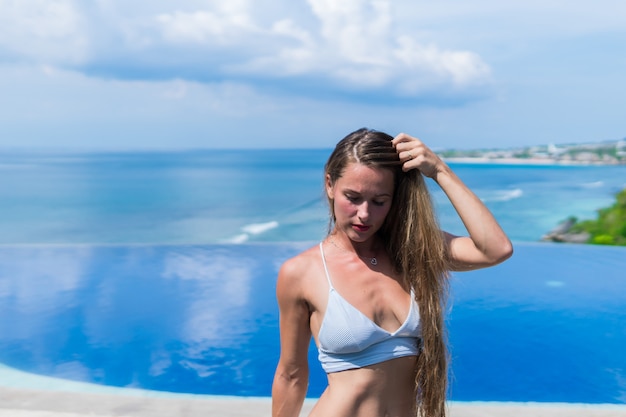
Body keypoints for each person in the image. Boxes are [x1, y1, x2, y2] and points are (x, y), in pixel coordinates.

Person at [272, 128, 513, 417]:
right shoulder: (302, 272)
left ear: (394, 199)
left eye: (379, 201)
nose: (364, 214)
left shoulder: (414, 253)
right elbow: (291, 375)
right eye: (353, 197)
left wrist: (440, 171)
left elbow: (495, 249)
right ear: (330, 185)